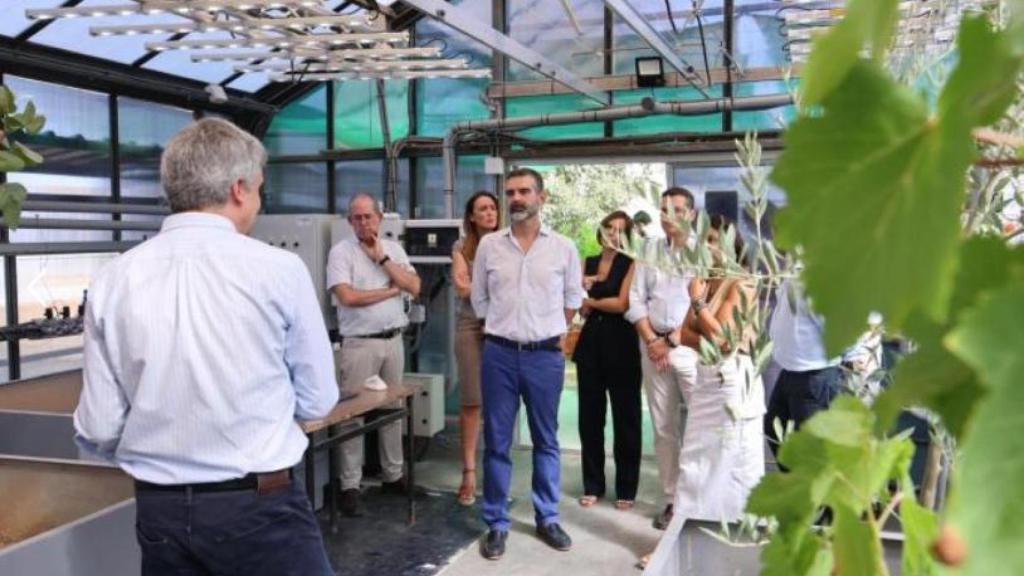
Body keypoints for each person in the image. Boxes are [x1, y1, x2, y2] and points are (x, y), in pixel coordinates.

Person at [74, 118, 339, 576]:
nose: (259, 201)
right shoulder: (280, 269)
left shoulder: (113, 278)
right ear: (239, 189)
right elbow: (318, 399)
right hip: (260, 506)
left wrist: (163, 455)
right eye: (259, 189)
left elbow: (98, 426)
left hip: (160, 512)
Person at [471, 167, 583, 561]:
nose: (516, 198)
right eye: (511, 192)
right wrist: (503, 328)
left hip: (544, 358)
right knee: (497, 442)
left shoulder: (563, 248)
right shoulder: (490, 246)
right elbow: (479, 298)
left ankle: (547, 517)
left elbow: (573, 300)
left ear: (542, 197)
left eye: (524, 191)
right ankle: (496, 523)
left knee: (546, 440)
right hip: (499, 355)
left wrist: (547, 332)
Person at [326, 193, 421, 516]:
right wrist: (392, 289)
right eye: (357, 217)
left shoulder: (393, 249)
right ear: (349, 221)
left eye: (368, 216)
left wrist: (383, 260)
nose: (363, 222)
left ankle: (393, 475)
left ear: (379, 218)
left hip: (393, 340)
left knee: (392, 411)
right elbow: (348, 297)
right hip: (360, 344)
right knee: (351, 416)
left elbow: (415, 286)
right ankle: (350, 485)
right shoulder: (341, 253)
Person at [671, 214, 765, 522]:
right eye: (704, 240)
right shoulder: (706, 281)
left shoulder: (742, 282)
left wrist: (698, 304)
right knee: (695, 460)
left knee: (731, 461)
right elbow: (683, 335)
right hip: (706, 377)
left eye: (713, 240)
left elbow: (723, 340)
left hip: (733, 380)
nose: (707, 246)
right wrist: (708, 331)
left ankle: (736, 531)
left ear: (730, 243)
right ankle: (687, 532)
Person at [624, 187, 698, 530]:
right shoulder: (649, 249)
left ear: (692, 214)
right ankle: (672, 501)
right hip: (651, 345)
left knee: (700, 426)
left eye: (678, 210)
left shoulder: (704, 251)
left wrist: (670, 341)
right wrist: (653, 340)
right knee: (664, 428)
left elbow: (703, 305)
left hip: (690, 348)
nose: (671, 216)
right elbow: (635, 299)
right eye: (665, 209)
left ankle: (699, 500)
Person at [572, 210, 641, 511]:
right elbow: (574, 299)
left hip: (623, 345)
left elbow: (622, 304)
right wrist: (585, 301)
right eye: (609, 227)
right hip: (590, 345)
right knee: (589, 419)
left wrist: (589, 299)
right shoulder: (586, 261)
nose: (614, 233)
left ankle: (626, 487)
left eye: (621, 230)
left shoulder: (632, 263)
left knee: (626, 419)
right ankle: (593, 485)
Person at [451, 190, 500, 506]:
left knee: (499, 402)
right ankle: (468, 472)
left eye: (493, 208)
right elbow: (461, 288)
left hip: (501, 327)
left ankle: (496, 469)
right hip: (470, 326)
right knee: (472, 401)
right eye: (482, 209)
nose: (489, 213)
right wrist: (496, 288)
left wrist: (479, 287)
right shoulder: (461, 247)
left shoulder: (508, 243)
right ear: (471, 216)